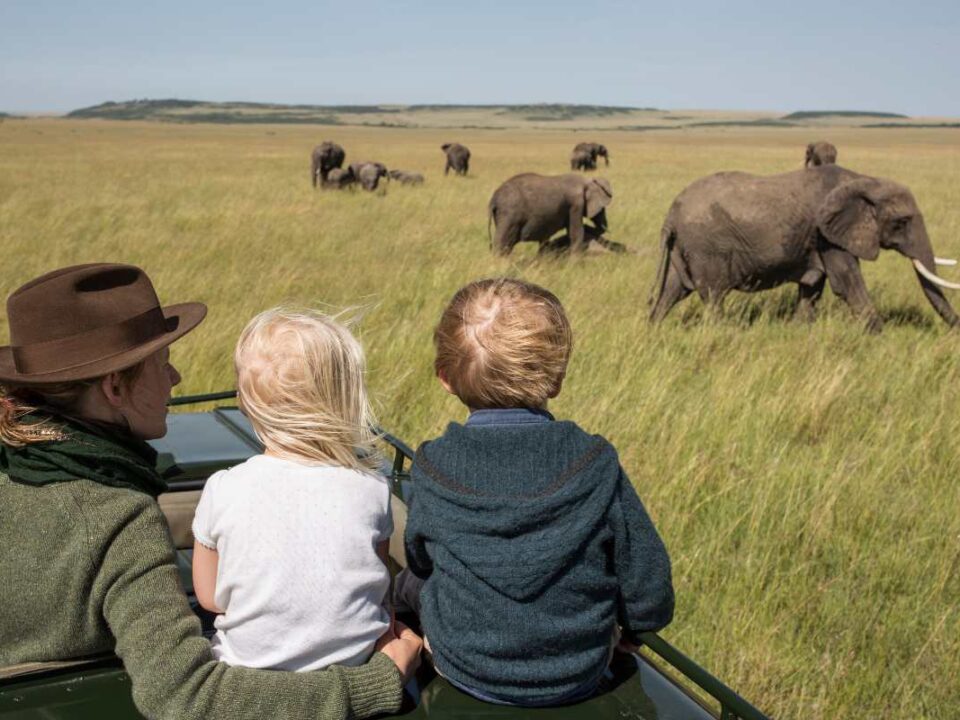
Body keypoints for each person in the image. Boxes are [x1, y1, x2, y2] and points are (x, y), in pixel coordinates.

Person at [0, 263, 421, 720]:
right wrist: (376, 683)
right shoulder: (113, 517)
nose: (176, 377)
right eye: (162, 364)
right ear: (115, 387)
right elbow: (188, 697)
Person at [402, 277, 674, 706]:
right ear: (556, 379)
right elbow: (649, 582)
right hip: (578, 674)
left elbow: (419, 558)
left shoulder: (433, 465)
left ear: (445, 379)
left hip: (463, 668)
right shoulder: (595, 461)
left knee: (410, 580)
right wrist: (635, 630)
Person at [191, 308, 394, 671]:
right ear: (344, 399)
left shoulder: (223, 488)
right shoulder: (373, 487)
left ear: (244, 402)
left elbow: (209, 597)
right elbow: (375, 586)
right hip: (355, 667)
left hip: (246, 671)